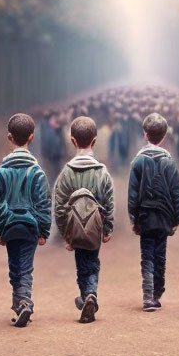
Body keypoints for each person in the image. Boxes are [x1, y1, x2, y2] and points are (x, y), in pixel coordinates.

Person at [0, 113, 52, 328]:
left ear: (9, 137)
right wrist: (43, 231)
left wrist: (0, 227)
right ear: (32, 137)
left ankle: (20, 303)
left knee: (14, 266)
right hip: (30, 226)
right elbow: (43, 203)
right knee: (25, 267)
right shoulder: (37, 172)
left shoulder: (0, 172)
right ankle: (23, 301)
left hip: (9, 225)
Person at [53, 116, 115, 324]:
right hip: (95, 228)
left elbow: (60, 206)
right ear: (95, 141)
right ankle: (89, 294)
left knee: (82, 264)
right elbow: (108, 202)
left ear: (72, 141)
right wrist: (107, 229)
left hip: (75, 229)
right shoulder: (102, 172)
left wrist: (66, 234)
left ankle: (87, 295)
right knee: (92, 263)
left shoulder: (66, 173)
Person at [128, 113, 179, 311]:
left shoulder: (138, 162)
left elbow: (132, 194)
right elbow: (176, 191)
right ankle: (157, 291)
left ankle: (147, 295)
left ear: (145, 134)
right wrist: (177, 217)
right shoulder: (169, 162)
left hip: (144, 217)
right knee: (160, 255)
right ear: (164, 135)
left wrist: (133, 218)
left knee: (147, 256)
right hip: (164, 217)